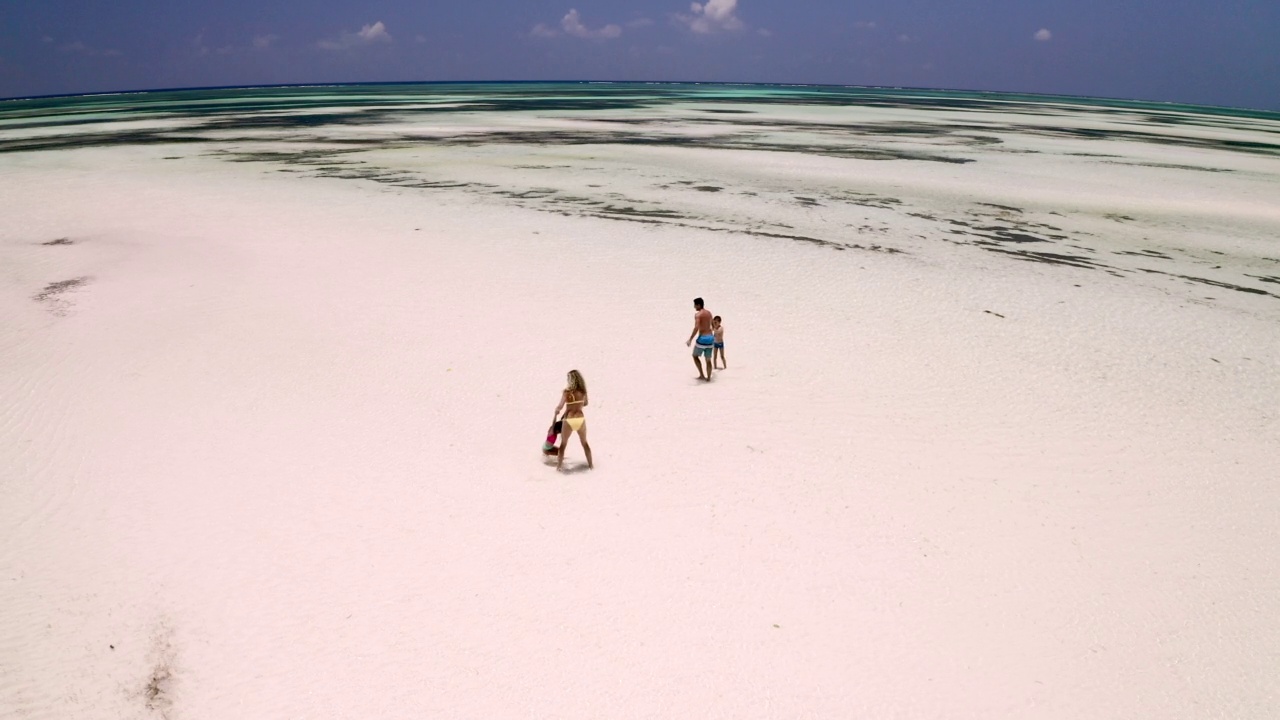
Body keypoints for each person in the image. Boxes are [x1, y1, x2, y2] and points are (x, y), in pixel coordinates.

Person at [553, 369, 593, 471]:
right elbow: (585, 403)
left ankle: (558, 467)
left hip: (569, 419)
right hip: (580, 418)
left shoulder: (566, 392)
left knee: (563, 444)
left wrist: (556, 411)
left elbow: (560, 406)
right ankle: (591, 466)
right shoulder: (583, 392)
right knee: (584, 443)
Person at [686, 297, 715, 381]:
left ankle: (702, 375)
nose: (694, 307)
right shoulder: (709, 313)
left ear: (698, 305)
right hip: (710, 338)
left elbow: (696, 328)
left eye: (695, 305)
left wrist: (690, 339)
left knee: (695, 356)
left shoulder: (698, 315)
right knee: (708, 359)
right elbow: (713, 325)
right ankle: (709, 378)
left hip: (702, 339)